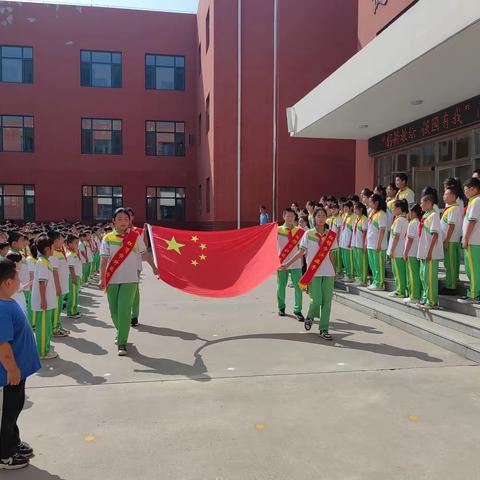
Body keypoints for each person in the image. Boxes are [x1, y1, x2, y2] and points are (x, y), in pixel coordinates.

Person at [99, 208, 158, 356]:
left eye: (126, 219)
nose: (123, 222)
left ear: (130, 221)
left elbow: (145, 253)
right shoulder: (107, 238)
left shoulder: (135, 237)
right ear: (113, 222)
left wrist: (154, 268)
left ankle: (122, 343)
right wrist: (101, 278)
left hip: (130, 279)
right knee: (114, 311)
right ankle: (121, 332)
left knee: (124, 311)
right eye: (119, 219)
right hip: (112, 279)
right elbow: (103, 260)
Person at [0, 258, 41, 470]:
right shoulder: (1, 308)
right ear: (7, 282)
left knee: (14, 409)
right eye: (17, 275)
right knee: (6, 413)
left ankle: (13, 442)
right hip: (8, 374)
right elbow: (2, 345)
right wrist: (12, 368)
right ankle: (4, 455)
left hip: (17, 373)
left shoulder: (8, 301)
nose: (19, 279)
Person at [282, 206, 337, 339]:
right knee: (316, 300)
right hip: (314, 272)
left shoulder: (331, 235)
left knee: (327, 302)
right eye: (318, 216)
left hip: (328, 272)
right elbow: (301, 252)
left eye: (323, 216)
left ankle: (324, 329)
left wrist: (335, 272)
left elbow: (331, 255)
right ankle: (311, 316)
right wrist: (288, 264)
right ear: (314, 218)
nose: (321, 219)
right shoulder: (308, 234)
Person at [31, 235, 58, 359]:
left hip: (47, 300)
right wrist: (43, 300)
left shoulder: (46, 261)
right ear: (47, 249)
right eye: (53, 247)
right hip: (44, 302)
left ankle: (46, 347)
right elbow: (42, 282)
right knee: (42, 327)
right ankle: (42, 351)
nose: (54, 249)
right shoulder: (42, 262)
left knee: (46, 325)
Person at [277, 208, 305, 321]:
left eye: (292, 216)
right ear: (284, 217)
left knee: (299, 287)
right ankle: (281, 307)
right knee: (281, 286)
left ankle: (298, 310)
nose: (290, 218)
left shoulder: (300, 231)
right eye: (287, 216)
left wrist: (303, 261)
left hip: (296, 263)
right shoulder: (277, 230)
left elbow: (303, 248)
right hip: (281, 263)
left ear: (295, 217)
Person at [417, 195, 443, 309]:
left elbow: (435, 234)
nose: (421, 205)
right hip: (424, 251)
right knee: (424, 276)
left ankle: (432, 301)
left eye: (422, 202)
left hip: (430, 253)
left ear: (428, 202)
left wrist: (429, 252)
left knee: (430, 278)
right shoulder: (425, 215)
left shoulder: (434, 215)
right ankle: (425, 298)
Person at [458, 177, 480, 304]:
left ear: (473, 189)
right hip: (474, 240)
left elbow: (472, 221)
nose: (465, 192)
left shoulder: (476, 201)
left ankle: (474, 294)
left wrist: (465, 238)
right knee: (472, 268)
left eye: (466, 189)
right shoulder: (474, 200)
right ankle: (474, 293)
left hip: (473, 240)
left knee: (472, 269)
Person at [440, 187, 463, 295]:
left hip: (451, 241)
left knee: (451, 264)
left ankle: (451, 286)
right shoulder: (450, 208)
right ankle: (449, 284)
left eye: (446, 194)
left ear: (453, 196)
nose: (444, 196)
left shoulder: (454, 209)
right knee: (448, 264)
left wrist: (446, 240)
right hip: (448, 241)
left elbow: (451, 226)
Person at [48, 231, 70, 337]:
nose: (63, 240)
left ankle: (58, 325)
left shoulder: (59, 251)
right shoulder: (53, 254)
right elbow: (54, 272)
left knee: (59, 308)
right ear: (56, 240)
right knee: (56, 308)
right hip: (58, 287)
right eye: (62, 238)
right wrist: (58, 288)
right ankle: (55, 329)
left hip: (62, 285)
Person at [387, 200, 409, 298]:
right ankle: (400, 289)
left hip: (397, 250)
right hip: (399, 250)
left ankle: (400, 291)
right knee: (398, 271)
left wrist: (392, 250)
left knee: (398, 271)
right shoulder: (401, 219)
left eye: (393, 207)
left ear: (399, 209)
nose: (392, 209)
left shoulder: (400, 220)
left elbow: (396, 236)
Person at [366, 194, 388, 291]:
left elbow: (382, 230)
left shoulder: (382, 214)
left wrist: (379, 243)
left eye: (371, 202)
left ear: (377, 203)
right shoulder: (371, 213)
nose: (369, 204)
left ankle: (380, 283)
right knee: (373, 264)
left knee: (378, 265)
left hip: (378, 245)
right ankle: (375, 281)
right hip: (371, 243)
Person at [403, 204, 423, 305]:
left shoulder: (412, 223)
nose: (408, 214)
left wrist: (405, 252)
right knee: (416, 274)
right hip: (417, 252)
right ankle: (416, 295)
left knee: (412, 275)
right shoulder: (419, 222)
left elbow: (410, 240)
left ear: (414, 213)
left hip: (411, 252)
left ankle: (414, 296)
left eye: (410, 212)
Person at [351, 202, 368, 286]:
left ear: (361, 209)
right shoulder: (356, 218)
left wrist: (365, 244)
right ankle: (358, 278)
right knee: (356, 262)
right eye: (354, 209)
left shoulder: (364, 219)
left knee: (362, 262)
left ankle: (363, 279)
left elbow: (365, 232)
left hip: (361, 244)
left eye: (356, 209)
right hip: (355, 243)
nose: (354, 211)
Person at [66, 234, 82, 318]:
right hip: (73, 276)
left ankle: (74, 310)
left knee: (75, 294)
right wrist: (74, 277)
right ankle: (71, 312)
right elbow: (70, 267)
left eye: (78, 242)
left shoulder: (73, 253)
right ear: (69, 244)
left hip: (76, 276)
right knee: (73, 295)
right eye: (75, 243)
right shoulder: (70, 255)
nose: (77, 244)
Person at [339, 200, 354, 282]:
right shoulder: (344, 216)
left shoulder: (354, 217)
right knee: (344, 260)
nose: (344, 209)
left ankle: (350, 275)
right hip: (343, 241)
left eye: (346, 207)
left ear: (351, 208)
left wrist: (351, 241)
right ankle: (347, 274)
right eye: (343, 207)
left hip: (348, 242)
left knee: (349, 260)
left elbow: (353, 230)